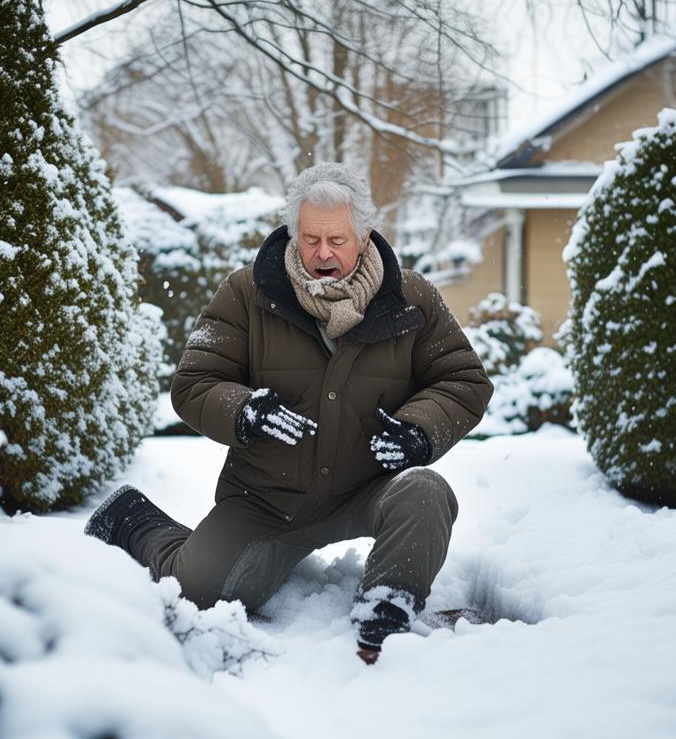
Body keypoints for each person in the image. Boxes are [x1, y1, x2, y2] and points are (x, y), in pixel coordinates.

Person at [85, 163, 492, 663]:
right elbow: (193, 384)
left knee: (426, 493)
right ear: (293, 235)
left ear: (364, 237)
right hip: (266, 497)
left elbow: (464, 380)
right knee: (195, 591)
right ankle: (133, 519)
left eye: (337, 239)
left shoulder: (413, 300)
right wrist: (243, 411)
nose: (323, 253)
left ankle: (386, 610)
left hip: (368, 489)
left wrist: (417, 430)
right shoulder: (245, 293)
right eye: (311, 238)